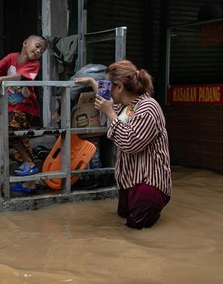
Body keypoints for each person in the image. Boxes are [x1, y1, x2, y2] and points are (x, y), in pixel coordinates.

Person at [74, 60, 172, 229]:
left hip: (149, 184)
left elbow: (130, 143)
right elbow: (107, 102)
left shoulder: (148, 107)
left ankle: (154, 209)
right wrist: (91, 82)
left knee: (134, 232)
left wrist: (110, 113)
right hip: (129, 182)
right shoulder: (126, 106)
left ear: (119, 87)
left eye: (107, 84)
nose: (105, 89)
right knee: (122, 219)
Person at [0, 35, 47, 194]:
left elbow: (20, 77)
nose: (38, 51)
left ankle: (29, 163)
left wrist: (1, 79)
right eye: (36, 46)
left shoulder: (33, 64)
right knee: (20, 141)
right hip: (10, 107)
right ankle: (29, 184)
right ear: (25, 43)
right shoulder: (11, 58)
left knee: (9, 131)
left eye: (41, 51)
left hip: (25, 107)